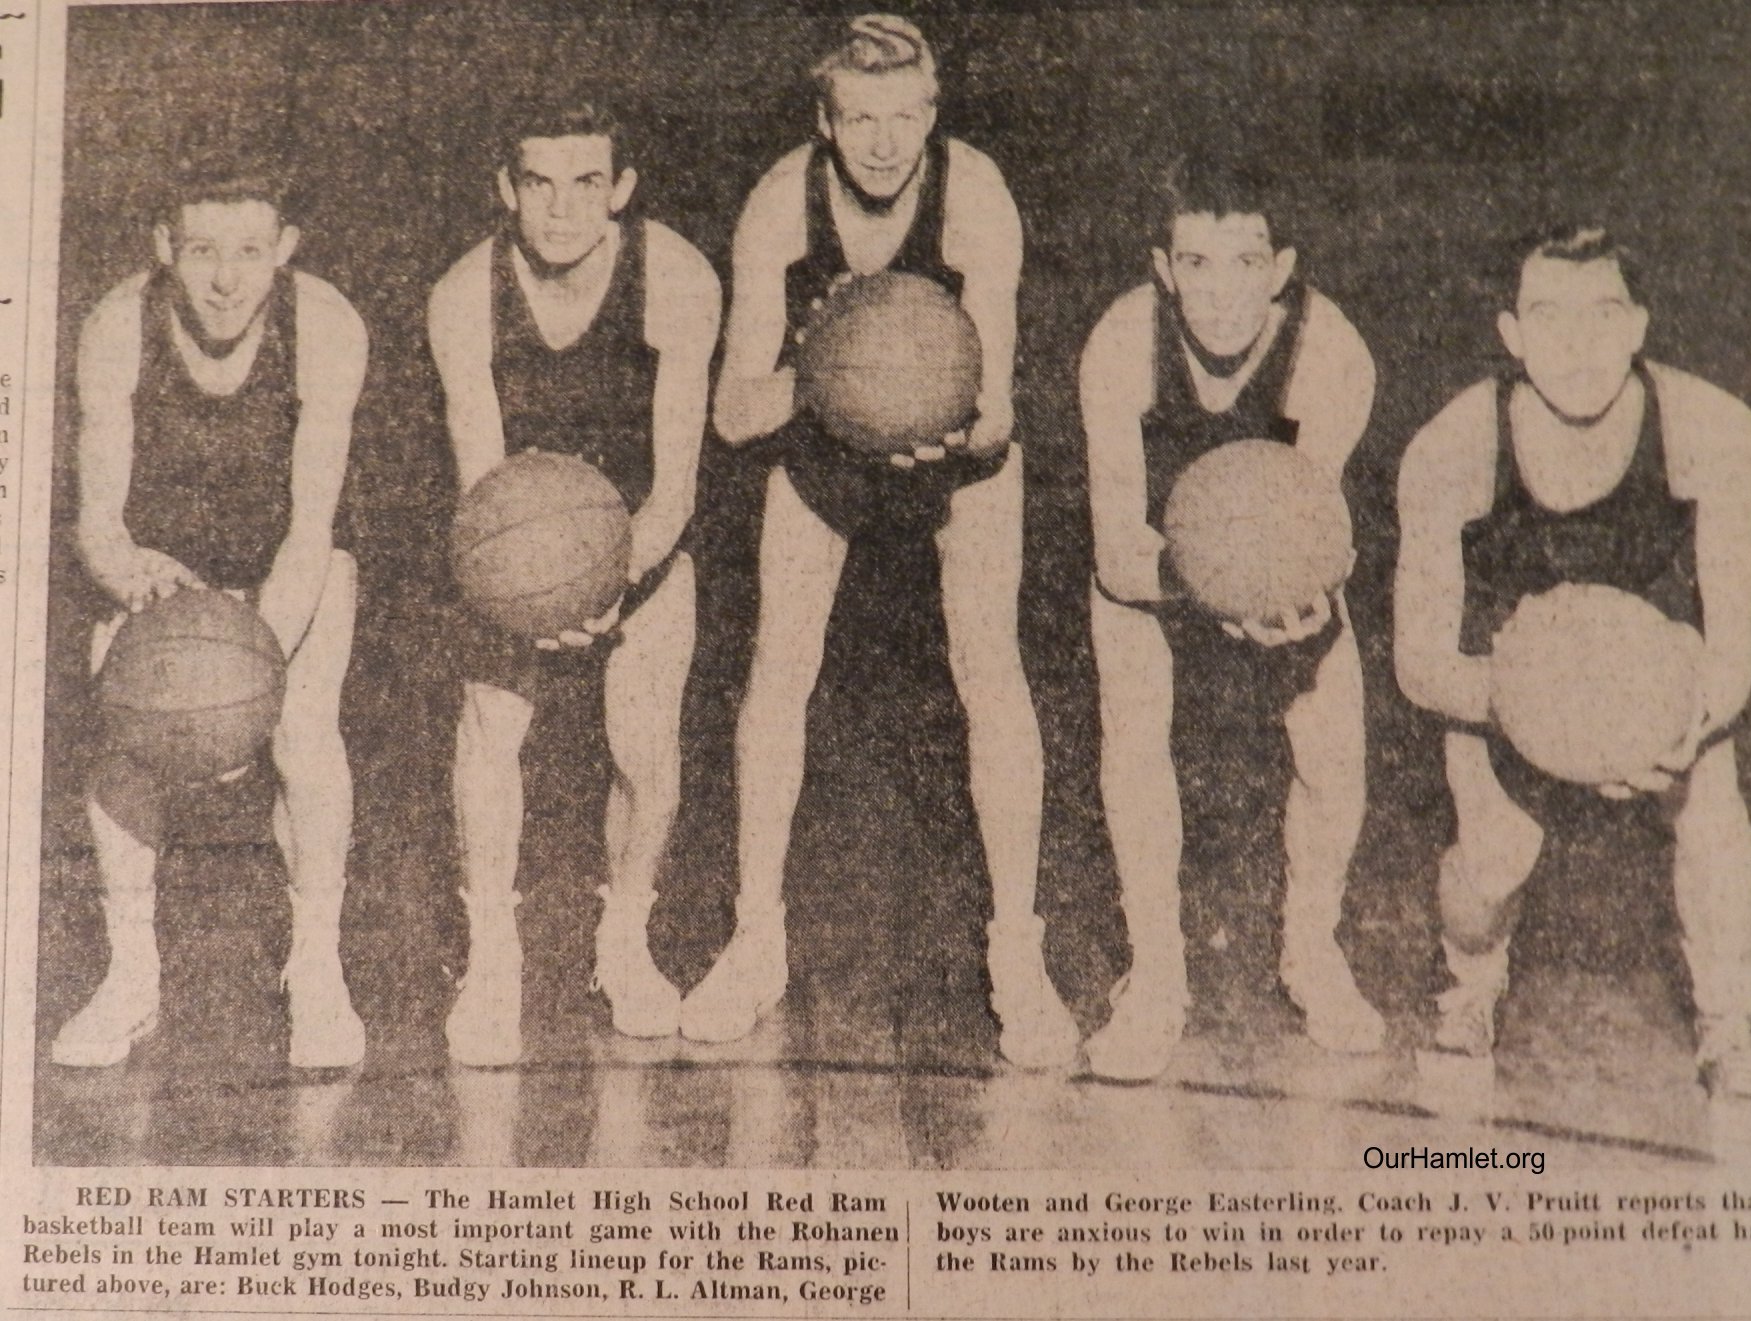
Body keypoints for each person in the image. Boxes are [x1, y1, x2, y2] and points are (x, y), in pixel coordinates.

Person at [686, 14, 1077, 1067]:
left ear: (934, 114)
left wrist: (925, 416)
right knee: (779, 670)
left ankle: (1018, 953)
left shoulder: (977, 196)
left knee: (989, 672)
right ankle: (756, 935)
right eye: (859, 116)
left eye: (905, 115)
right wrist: (847, 385)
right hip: (823, 441)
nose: (883, 142)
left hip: (958, 453)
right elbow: (731, 408)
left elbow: (995, 411)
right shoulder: (781, 204)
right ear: (824, 121)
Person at [1394, 225, 1751, 1099]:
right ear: (1509, 333)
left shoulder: (1714, 431)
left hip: (1657, 659)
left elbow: (1735, 659)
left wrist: (1675, 724)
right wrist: (1538, 708)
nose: (1576, 345)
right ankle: (1467, 985)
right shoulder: (1450, 447)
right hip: (1504, 669)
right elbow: (1419, 661)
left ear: (1639, 324)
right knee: (1491, 858)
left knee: (1713, 815)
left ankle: (1728, 1030)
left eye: (1602, 314)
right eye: (1547, 317)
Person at [1078, 152, 1385, 1081]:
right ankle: (1157, 972)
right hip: (1154, 566)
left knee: (1333, 747)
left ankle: (1311, 946)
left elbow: (1311, 532)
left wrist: (1278, 591)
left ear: (1282, 268)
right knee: (1133, 731)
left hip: (1272, 554)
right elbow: (1113, 544)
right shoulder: (1119, 345)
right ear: (1163, 269)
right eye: (1195, 264)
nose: (1218, 292)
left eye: (1244, 263)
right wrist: (1199, 578)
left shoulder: (1332, 353)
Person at [428, 99, 721, 1066]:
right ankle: (491, 954)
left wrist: (608, 583)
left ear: (622, 189)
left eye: (586, 183)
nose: (561, 210)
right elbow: (482, 491)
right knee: (491, 729)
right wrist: (531, 594)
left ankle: (624, 933)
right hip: (510, 550)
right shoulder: (463, 295)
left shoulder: (675, 276)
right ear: (505, 189)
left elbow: (677, 484)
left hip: (638, 540)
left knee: (643, 743)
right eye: (538, 184)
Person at [61, 153, 368, 1070]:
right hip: (163, 570)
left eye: (248, 249)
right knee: (123, 740)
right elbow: (97, 525)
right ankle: (131, 972)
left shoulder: (326, 324)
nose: (227, 277)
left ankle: (316, 964)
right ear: (164, 247)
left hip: (292, 561)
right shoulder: (119, 325)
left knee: (304, 733)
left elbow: (312, 526)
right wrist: (131, 577)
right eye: (201, 250)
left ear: (286, 246)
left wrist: (246, 674)